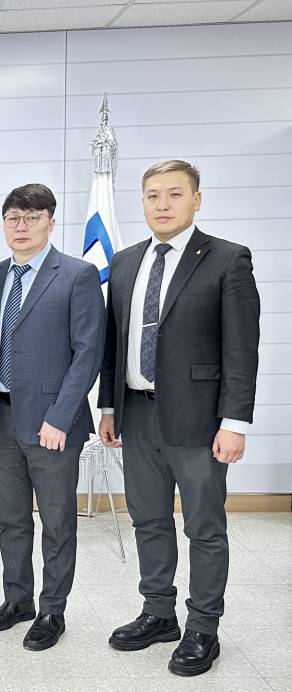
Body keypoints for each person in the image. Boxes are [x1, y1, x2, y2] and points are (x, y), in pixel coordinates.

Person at [99, 160, 260, 676]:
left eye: (174, 194)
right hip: (136, 414)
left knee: (204, 528)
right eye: (152, 195)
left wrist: (235, 422)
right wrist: (108, 406)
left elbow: (241, 349)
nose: (162, 204)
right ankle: (158, 613)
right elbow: (114, 342)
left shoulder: (227, 259)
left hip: (199, 421)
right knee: (148, 519)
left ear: (197, 200)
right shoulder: (125, 262)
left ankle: (203, 628)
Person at [0, 184, 105, 650]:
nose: (21, 226)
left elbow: (88, 353)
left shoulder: (77, 274)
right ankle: (18, 600)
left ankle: (53, 610)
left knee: (57, 522)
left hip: (52, 423)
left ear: (50, 222)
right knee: (11, 520)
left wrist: (61, 416)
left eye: (32, 217)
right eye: (13, 217)